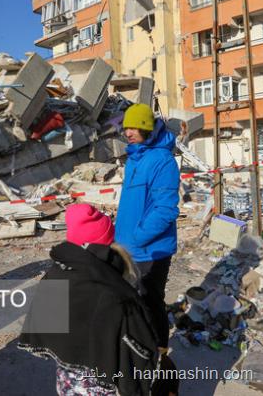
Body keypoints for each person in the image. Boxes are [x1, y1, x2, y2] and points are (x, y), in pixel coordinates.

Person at [19, 204, 164, 396]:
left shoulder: (56, 274)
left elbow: (45, 329)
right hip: (102, 386)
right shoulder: (116, 290)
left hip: (66, 382)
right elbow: (135, 349)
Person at [115, 103, 180, 355]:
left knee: (151, 304)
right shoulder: (134, 158)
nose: (128, 132)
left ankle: (160, 353)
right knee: (133, 303)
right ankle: (139, 350)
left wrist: (137, 238)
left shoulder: (162, 161)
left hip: (150, 250)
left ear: (147, 127)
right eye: (126, 127)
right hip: (129, 248)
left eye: (134, 127)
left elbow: (165, 210)